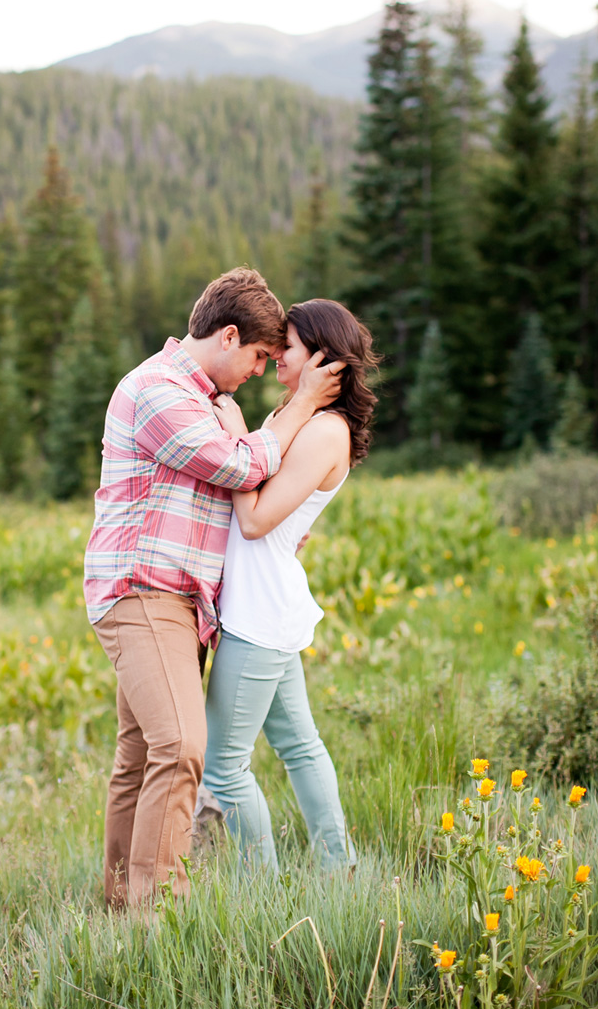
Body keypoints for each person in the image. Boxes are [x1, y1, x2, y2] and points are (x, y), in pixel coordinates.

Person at [83, 268, 344, 908]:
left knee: (141, 755)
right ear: (228, 337)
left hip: (181, 602)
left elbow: (233, 498)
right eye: (258, 355)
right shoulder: (158, 390)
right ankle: (157, 915)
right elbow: (239, 465)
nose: (261, 370)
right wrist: (304, 401)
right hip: (145, 591)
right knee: (182, 746)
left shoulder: (201, 400)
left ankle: (121, 905)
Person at [201, 299, 380, 871]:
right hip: (265, 604)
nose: (278, 353)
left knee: (224, 769)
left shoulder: (326, 432)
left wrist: (233, 438)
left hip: (259, 613)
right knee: (299, 747)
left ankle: (261, 891)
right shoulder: (309, 421)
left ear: (324, 359)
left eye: (291, 346)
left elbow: (255, 521)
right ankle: (339, 867)